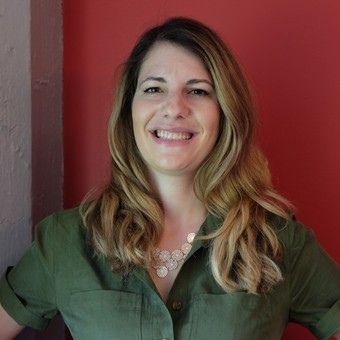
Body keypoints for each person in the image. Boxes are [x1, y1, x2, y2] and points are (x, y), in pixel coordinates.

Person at [0, 17, 339, 340]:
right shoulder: (65, 241)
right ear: (129, 109)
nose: (174, 107)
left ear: (226, 112)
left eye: (198, 91)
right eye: (153, 88)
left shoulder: (279, 242)